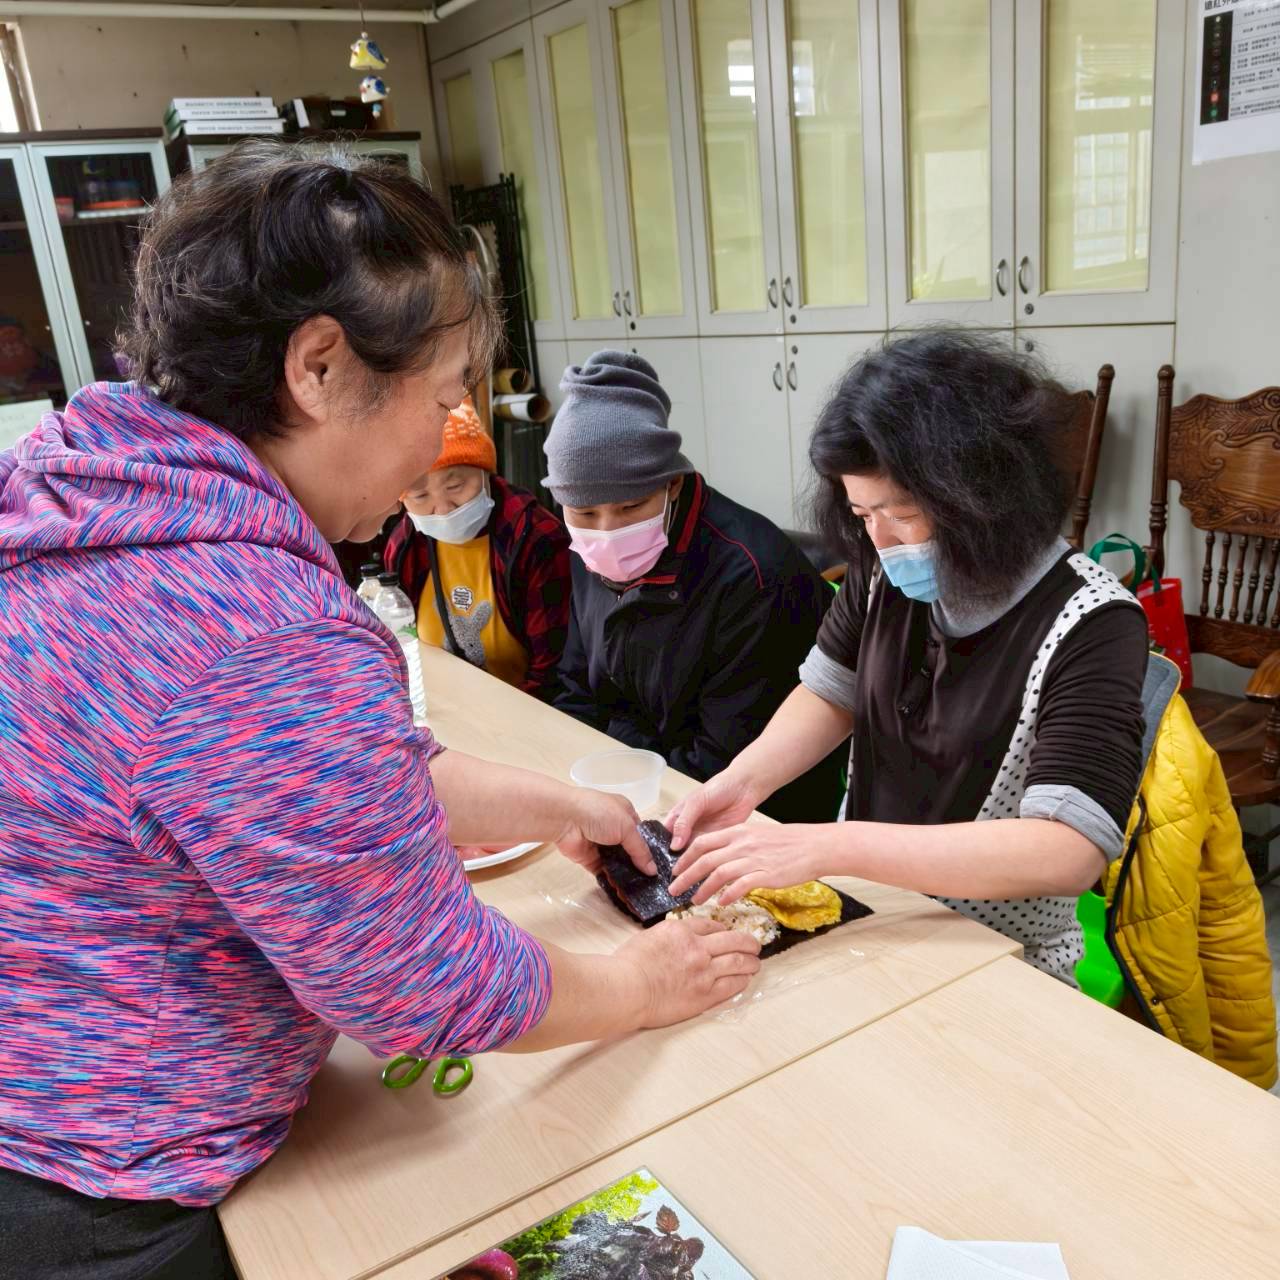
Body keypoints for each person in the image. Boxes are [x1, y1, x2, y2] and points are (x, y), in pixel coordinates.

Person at [0, 143, 759, 1280]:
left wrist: (558, 804)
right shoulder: (256, 627)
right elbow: (424, 981)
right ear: (319, 366)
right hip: (107, 1181)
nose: (442, 440)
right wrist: (644, 984)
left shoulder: (84, 484)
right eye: (444, 398)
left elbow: (293, 776)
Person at [667, 329, 1148, 983]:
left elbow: (1066, 850)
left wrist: (829, 843)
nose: (882, 540)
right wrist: (742, 783)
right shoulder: (881, 568)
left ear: (986, 491)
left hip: (999, 956)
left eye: (903, 513)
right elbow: (829, 692)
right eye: (862, 513)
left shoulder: (1093, 622)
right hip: (868, 913)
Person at [545, 350, 844, 823]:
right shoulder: (587, 549)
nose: (606, 531)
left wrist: (620, 764)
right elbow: (576, 690)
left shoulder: (753, 577)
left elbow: (724, 760)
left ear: (673, 485)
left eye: (631, 507)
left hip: (749, 814)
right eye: (583, 512)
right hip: (634, 787)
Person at [384, 394, 571, 700]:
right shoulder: (406, 545)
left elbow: (554, 671)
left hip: (527, 709)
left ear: (485, 472)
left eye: (455, 486)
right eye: (420, 496)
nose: (443, 509)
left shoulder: (534, 538)